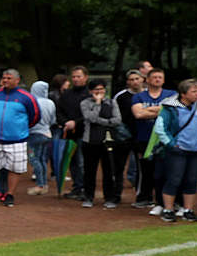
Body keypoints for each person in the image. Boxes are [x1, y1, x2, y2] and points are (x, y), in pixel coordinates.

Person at [0, 69, 39, 207]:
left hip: (16, 140)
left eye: (9, 78)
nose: (5, 80)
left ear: (17, 80)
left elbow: (35, 116)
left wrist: (18, 128)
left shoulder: (26, 97)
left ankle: (10, 195)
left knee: (15, 169)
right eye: (4, 78)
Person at [154, 79, 197, 222]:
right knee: (174, 179)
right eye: (193, 91)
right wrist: (171, 144)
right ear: (183, 94)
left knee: (192, 180)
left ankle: (188, 210)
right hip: (178, 150)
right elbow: (160, 128)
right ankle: (168, 209)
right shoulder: (171, 108)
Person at [131, 68, 175, 214]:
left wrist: (149, 111)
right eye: (154, 77)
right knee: (146, 170)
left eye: (160, 77)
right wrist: (161, 109)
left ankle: (163, 200)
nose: (157, 79)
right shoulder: (139, 96)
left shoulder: (171, 94)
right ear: (147, 80)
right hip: (144, 138)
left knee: (165, 171)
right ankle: (145, 197)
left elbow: (174, 113)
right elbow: (138, 114)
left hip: (165, 139)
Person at [79, 79, 124, 208]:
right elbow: (90, 118)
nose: (99, 92)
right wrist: (98, 104)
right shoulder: (85, 103)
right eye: (96, 90)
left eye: (101, 89)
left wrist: (101, 121)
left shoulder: (112, 102)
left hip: (108, 140)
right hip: (90, 141)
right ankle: (88, 197)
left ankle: (109, 197)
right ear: (90, 91)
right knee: (89, 171)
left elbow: (117, 120)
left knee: (109, 170)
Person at [57, 66, 90, 200]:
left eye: (79, 76)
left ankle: (84, 188)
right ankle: (76, 187)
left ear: (85, 77)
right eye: (74, 77)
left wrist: (76, 122)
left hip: (85, 133)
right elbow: (59, 111)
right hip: (69, 134)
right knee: (72, 162)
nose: (76, 79)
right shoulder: (66, 94)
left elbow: (90, 114)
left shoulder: (89, 94)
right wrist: (65, 122)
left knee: (83, 162)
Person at [113, 69, 145, 192]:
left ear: (143, 79)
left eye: (137, 79)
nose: (135, 82)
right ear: (128, 82)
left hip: (142, 135)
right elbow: (115, 116)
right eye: (131, 80)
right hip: (124, 136)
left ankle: (140, 193)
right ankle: (116, 194)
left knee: (141, 166)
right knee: (118, 166)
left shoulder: (148, 95)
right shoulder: (120, 96)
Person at [26, 81, 56, 195]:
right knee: (43, 159)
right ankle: (44, 184)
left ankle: (40, 185)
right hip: (47, 134)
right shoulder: (51, 103)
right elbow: (53, 120)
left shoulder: (32, 102)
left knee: (34, 159)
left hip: (34, 134)